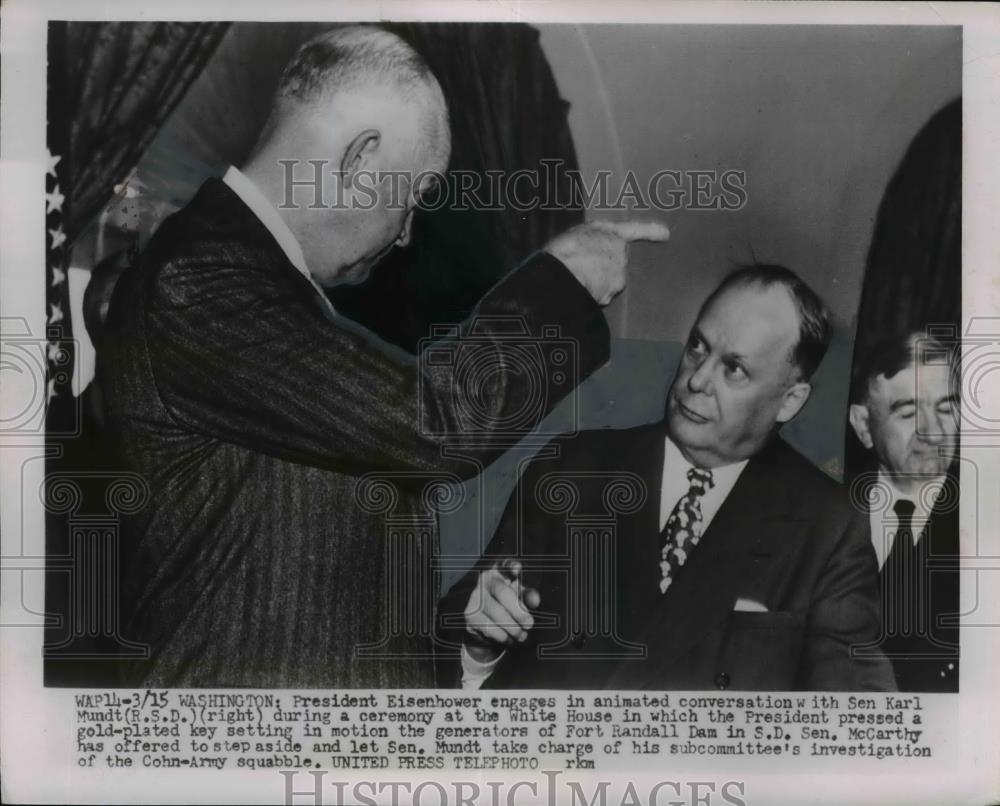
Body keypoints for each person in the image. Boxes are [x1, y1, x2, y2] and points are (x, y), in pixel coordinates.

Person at [100, 25, 668, 687]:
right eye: (417, 196)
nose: (405, 236)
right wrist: (563, 281)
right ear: (361, 158)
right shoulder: (201, 281)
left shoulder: (264, 291)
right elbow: (439, 422)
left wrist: (462, 647)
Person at [439, 264, 897, 691]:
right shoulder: (572, 467)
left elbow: (858, 721)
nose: (697, 379)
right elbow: (445, 647)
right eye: (698, 346)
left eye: (733, 368)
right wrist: (479, 645)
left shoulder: (829, 528)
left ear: (790, 401)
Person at [847, 331, 960, 692]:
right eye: (909, 412)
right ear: (863, 426)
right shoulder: (821, 517)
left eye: (946, 408)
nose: (933, 432)